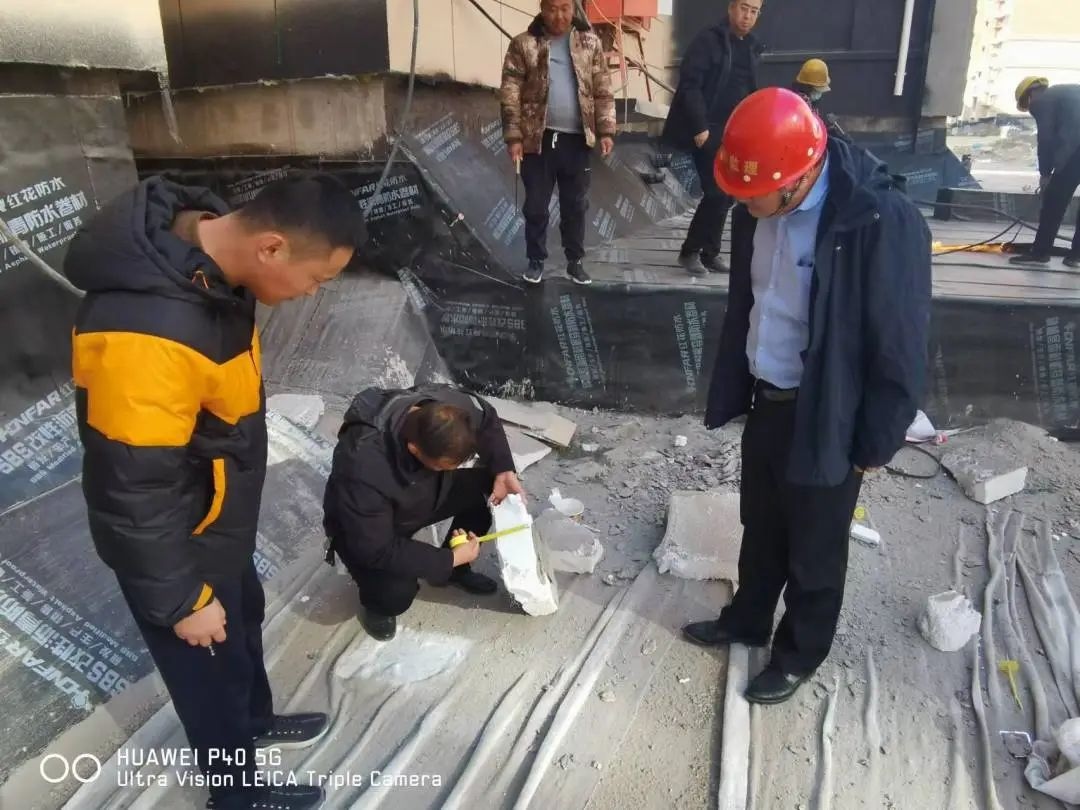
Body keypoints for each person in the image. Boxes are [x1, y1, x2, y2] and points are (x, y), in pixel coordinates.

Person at [65, 174, 364, 810]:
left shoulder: (211, 272)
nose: (313, 294)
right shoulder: (147, 331)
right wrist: (181, 600)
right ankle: (236, 795)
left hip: (215, 520)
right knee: (207, 675)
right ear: (272, 247)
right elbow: (132, 488)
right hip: (179, 541)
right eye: (317, 279)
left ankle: (253, 724)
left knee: (242, 632)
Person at [683, 89, 931, 705]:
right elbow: (755, 301)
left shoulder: (877, 220)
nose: (742, 207)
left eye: (753, 196)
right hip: (769, 398)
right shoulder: (758, 208)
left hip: (829, 411)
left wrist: (876, 439)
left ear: (795, 179)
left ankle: (798, 654)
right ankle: (748, 618)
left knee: (815, 546)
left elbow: (900, 339)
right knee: (761, 524)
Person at [323, 385, 526, 641]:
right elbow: (376, 549)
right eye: (443, 466)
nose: (453, 468)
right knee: (395, 592)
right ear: (414, 449)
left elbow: (486, 418)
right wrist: (447, 559)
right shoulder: (361, 465)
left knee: (490, 491)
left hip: (422, 493)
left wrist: (504, 469)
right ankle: (376, 607)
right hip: (367, 527)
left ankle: (454, 573)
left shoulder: (449, 409)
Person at [500, 0, 616, 286]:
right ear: (542, 8)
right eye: (552, 8)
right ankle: (535, 260)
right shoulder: (523, 44)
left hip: (577, 141)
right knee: (536, 206)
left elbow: (602, 89)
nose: (559, 15)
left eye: (565, 8)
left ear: (573, 8)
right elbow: (510, 93)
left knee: (575, 205)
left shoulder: (590, 43)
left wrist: (606, 130)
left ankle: (575, 261)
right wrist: (514, 137)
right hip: (537, 140)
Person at [662, 0, 764, 276]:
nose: (747, 16)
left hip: (733, 132)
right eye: (743, 8)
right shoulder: (709, 41)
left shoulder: (752, 47)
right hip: (705, 129)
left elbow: (749, 92)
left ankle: (710, 253)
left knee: (728, 194)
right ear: (731, 8)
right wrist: (699, 127)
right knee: (717, 192)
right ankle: (689, 252)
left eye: (754, 11)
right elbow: (690, 85)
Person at [1010, 77, 1080, 268]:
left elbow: (1046, 138)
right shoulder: (1066, 92)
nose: (1031, 109)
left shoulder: (1042, 100)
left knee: (1054, 202)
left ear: (1029, 95)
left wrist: (1046, 173)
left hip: (1075, 152)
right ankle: (1076, 256)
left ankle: (1040, 252)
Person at [791, 58, 847, 141]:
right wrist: (828, 126)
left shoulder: (795, 95)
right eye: (818, 90)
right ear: (808, 87)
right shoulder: (802, 103)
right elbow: (813, 131)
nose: (820, 93)